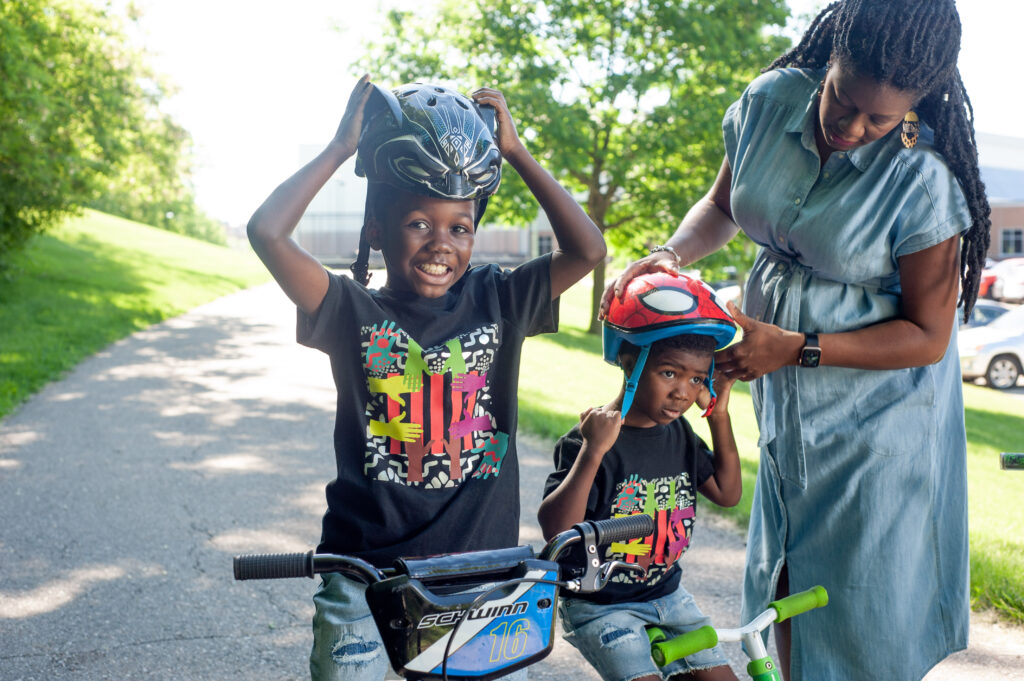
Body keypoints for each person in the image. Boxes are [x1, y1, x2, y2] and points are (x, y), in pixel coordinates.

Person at [602, 1, 990, 679]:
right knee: (786, 579)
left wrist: (798, 346)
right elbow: (723, 207)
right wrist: (671, 253)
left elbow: (929, 335)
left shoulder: (923, 179)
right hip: (788, 407)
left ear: (915, 106)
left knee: (864, 613)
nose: (852, 126)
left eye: (880, 118)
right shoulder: (769, 101)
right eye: (843, 99)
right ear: (831, 57)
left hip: (881, 429)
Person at [247, 76, 605, 681]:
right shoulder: (350, 309)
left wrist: (517, 153)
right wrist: (340, 149)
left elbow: (588, 250)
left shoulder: (500, 298)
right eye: (418, 223)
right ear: (377, 233)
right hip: (366, 572)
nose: (441, 243)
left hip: (482, 578)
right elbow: (267, 233)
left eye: (460, 228)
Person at [539, 272, 743, 681]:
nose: (683, 392)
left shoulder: (680, 434)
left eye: (696, 379)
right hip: (599, 605)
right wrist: (594, 450)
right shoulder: (591, 437)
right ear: (629, 362)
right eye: (669, 373)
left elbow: (728, 493)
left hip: (668, 596)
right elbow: (557, 531)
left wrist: (718, 417)